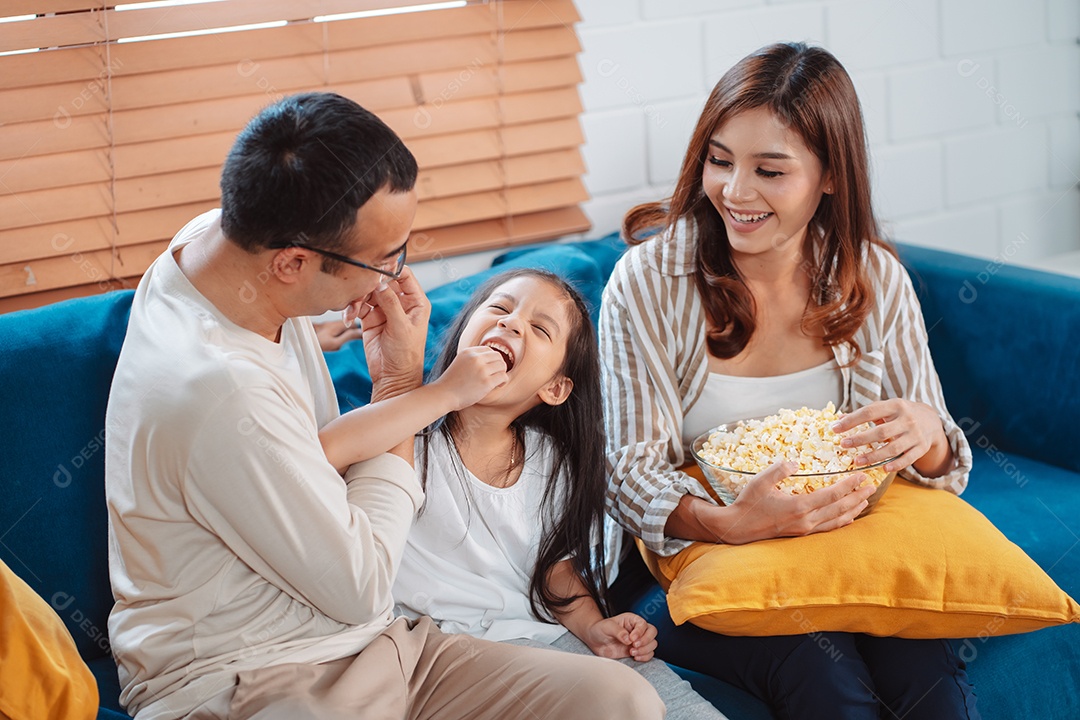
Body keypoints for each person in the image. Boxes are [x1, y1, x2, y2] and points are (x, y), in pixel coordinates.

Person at [105, 91, 664, 720]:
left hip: (385, 647)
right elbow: (364, 588)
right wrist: (405, 383)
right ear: (292, 263)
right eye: (381, 259)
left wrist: (317, 331)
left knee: (622, 701)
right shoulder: (223, 395)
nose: (392, 276)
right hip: (252, 677)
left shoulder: (218, 241)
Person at [599, 43, 981, 720]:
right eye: (720, 160)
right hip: (706, 555)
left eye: (769, 171)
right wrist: (730, 523)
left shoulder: (874, 278)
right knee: (828, 684)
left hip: (848, 546)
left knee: (932, 687)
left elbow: (939, 471)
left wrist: (926, 432)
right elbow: (626, 471)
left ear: (829, 176)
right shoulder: (649, 283)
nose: (735, 192)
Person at [321, 268, 726, 719]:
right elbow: (326, 452)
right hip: (439, 652)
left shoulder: (550, 462)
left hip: (540, 636)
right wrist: (444, 393)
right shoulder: (404, 438)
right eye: (499, 307)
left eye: (539, 328)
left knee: (669, 703)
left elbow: (553, 569)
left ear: (554, 388)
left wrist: (595, 629)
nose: (511, 322)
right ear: (463, 334)